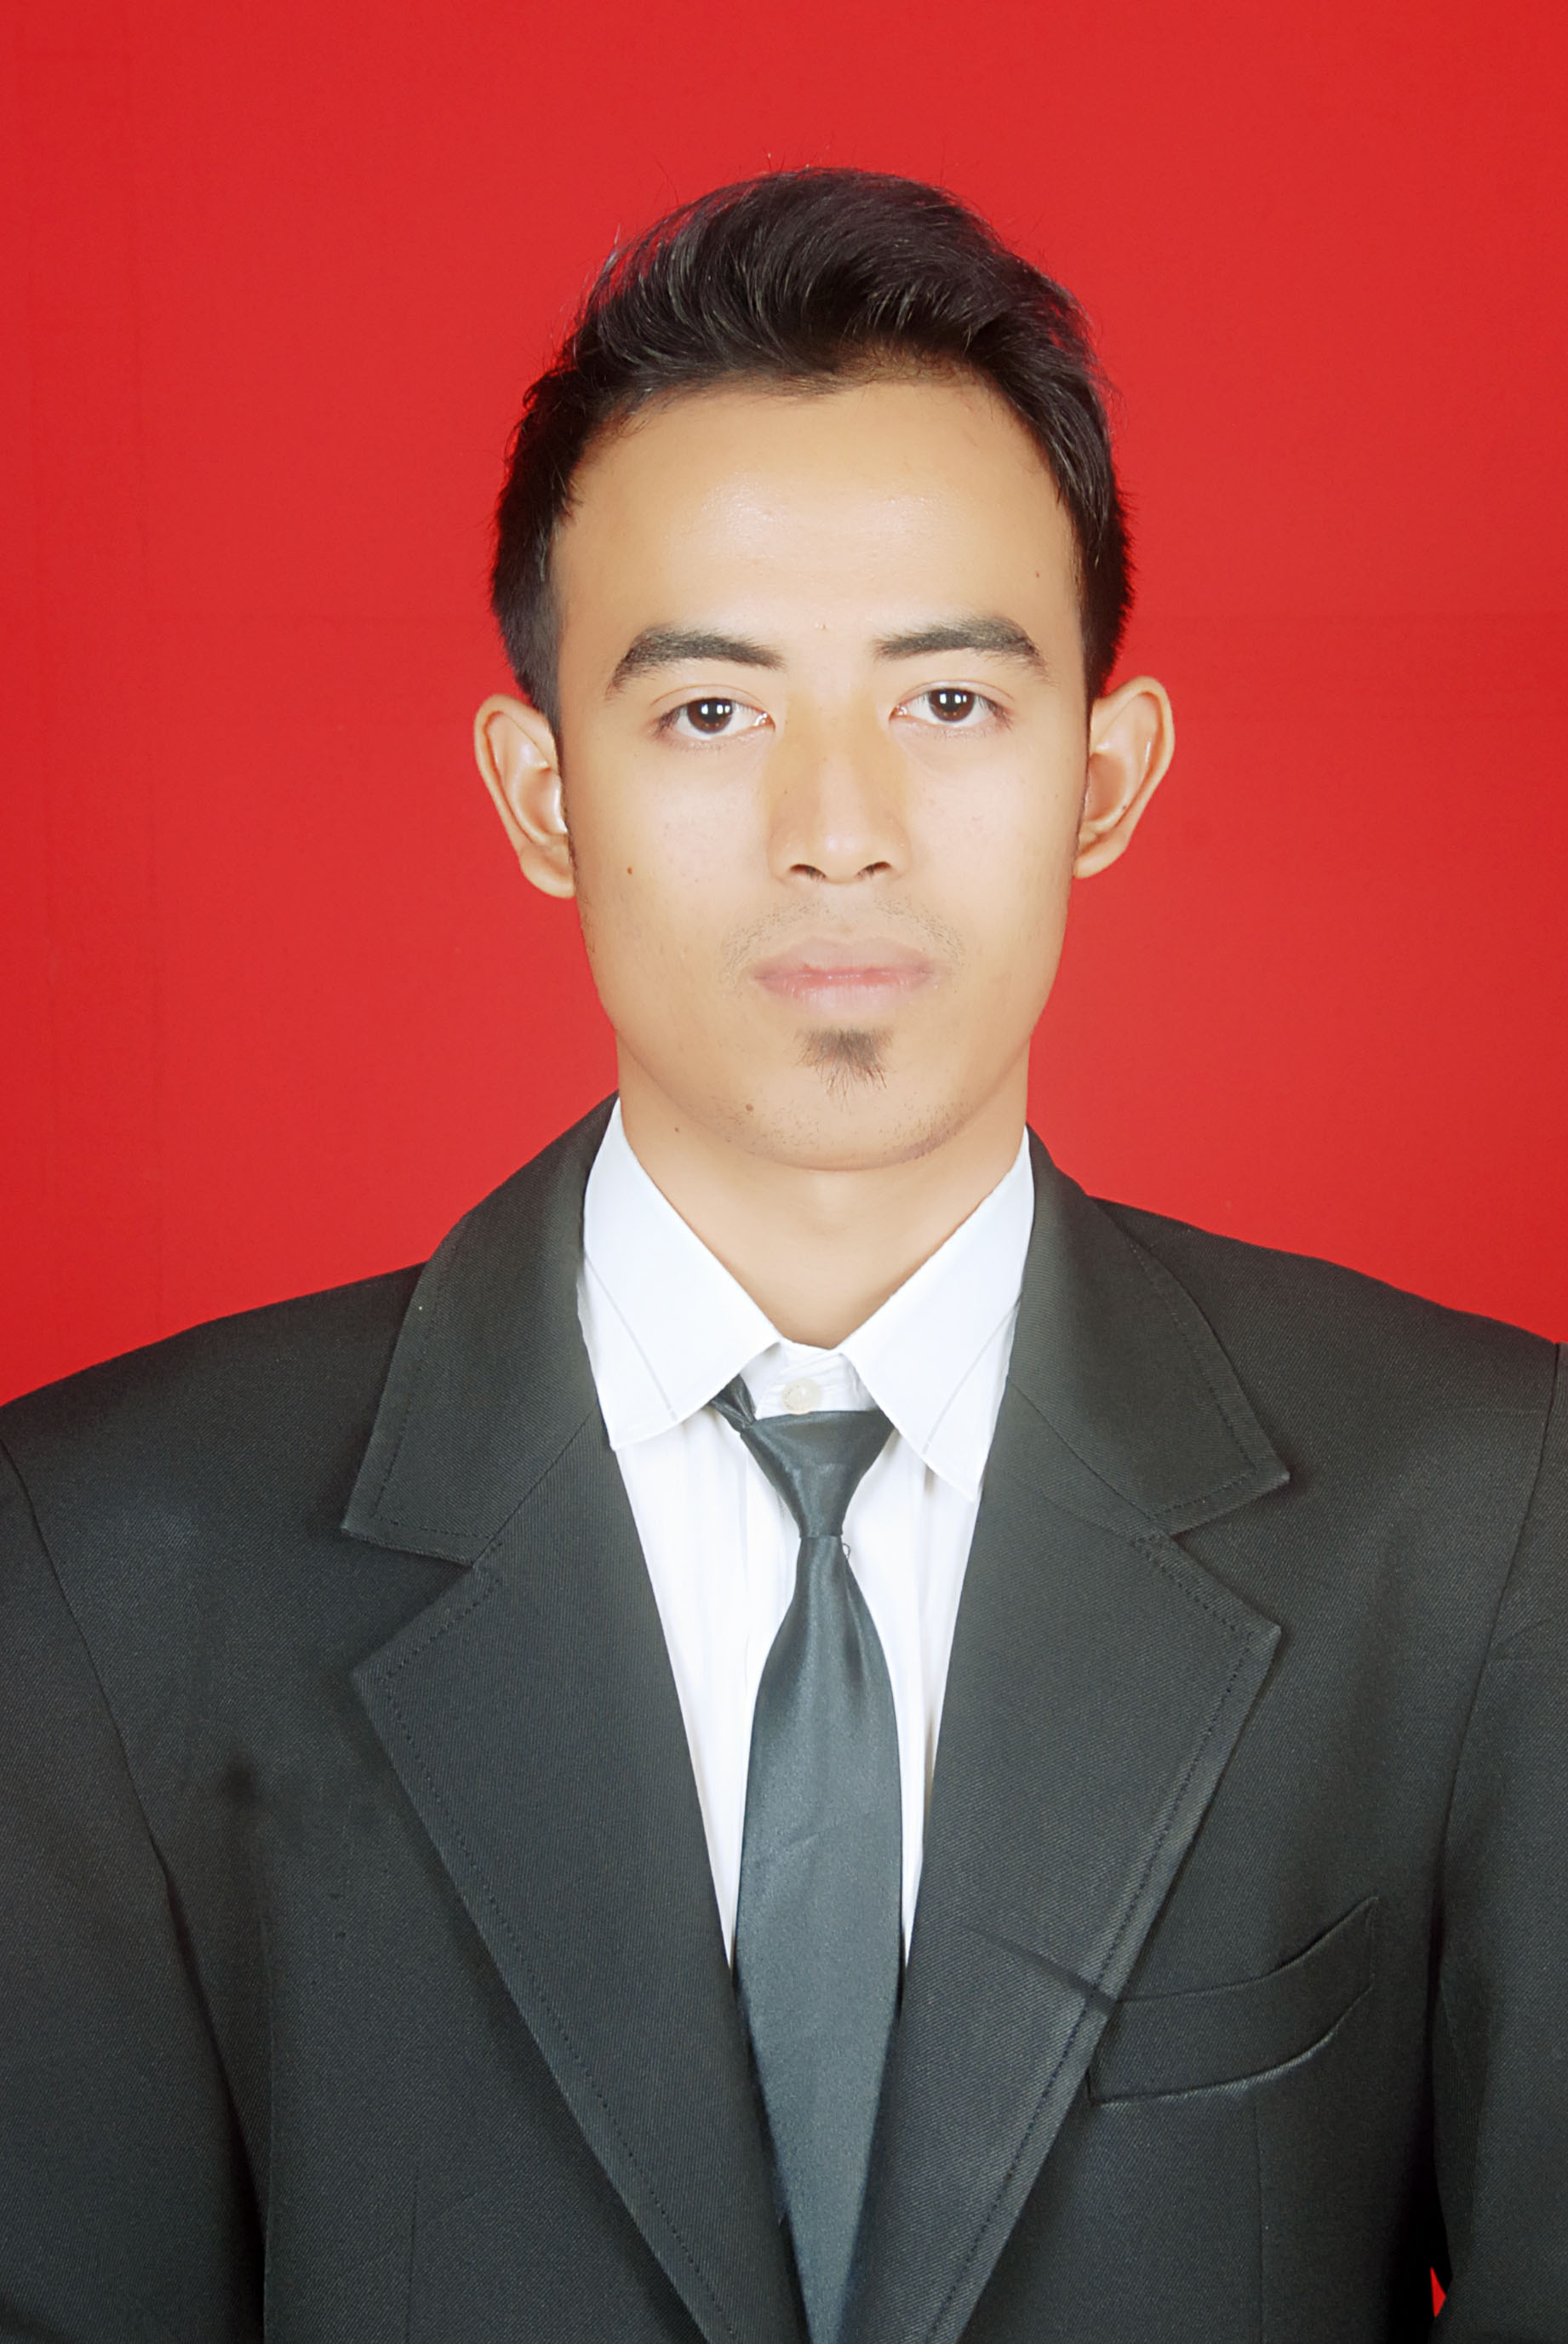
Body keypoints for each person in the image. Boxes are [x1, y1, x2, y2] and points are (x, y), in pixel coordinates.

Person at [0, 167, 1562, 2344]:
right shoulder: (104, 1561)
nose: (840, 829)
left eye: (952, 703)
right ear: (541, 792)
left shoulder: (1483, 1519)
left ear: (1108, 775)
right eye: (712, 713)